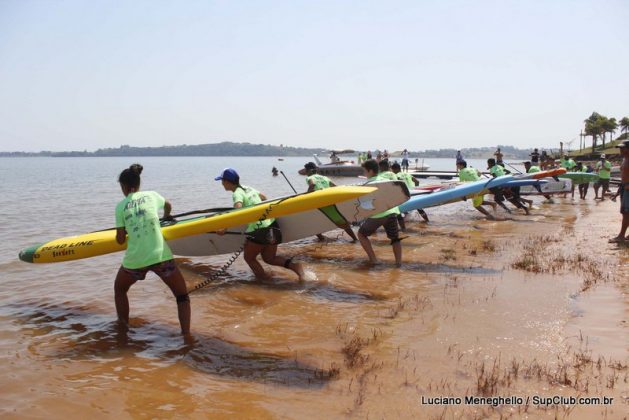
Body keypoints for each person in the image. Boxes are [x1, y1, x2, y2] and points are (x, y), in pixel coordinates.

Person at [114, 164, 191, 336]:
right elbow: (168, 205)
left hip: (135, 261)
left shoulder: (120, 207)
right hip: (160, 257)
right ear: (138, 184)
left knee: (120, 290)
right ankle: (186, 336)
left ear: (124, 187)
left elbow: (120, 240)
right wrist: (165, 216)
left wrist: (126, 229)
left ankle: (123, 330)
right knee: (182, 296)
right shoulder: (152, 195)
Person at [215, 168, 305, 280]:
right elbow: (264, 197)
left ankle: (263, 281)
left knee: (249, 258)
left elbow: (237, 210)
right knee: (269, 258)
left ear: (227, 181)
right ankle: (295, 267)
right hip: (272, 225)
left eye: (222, 181)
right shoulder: (248, 188)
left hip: (259, 230)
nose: (222, 184)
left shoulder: (237, 194)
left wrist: (224, 228)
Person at [357, 159, 403, 266]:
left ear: (371, 171)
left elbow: (364, 203)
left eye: (365, 171)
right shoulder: (385, 180)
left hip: (378, 214)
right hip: (392, 212)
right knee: (395, 239)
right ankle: (398, 264)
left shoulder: (368, 184)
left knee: (361, 234)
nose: (364, 173)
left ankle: (374, 260)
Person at [303, 162, 358, 241]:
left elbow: (312, 185)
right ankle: (354, 239)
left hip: (319, 202)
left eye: (306, 171)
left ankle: (321, 238)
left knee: (313, 220)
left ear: (309, 171)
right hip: (329, 200)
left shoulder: (309, 177)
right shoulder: (325, 177)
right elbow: (335, 186)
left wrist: (306, 196)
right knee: (340, 220)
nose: (306, 173)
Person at [609, 140, 629, 243]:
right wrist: (617, 193)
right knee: (626, 213)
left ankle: (621, 236)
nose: (620, 150)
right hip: (624, 188)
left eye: (622, 148)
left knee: (626, 214)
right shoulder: (625, 159)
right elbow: (624, 178)